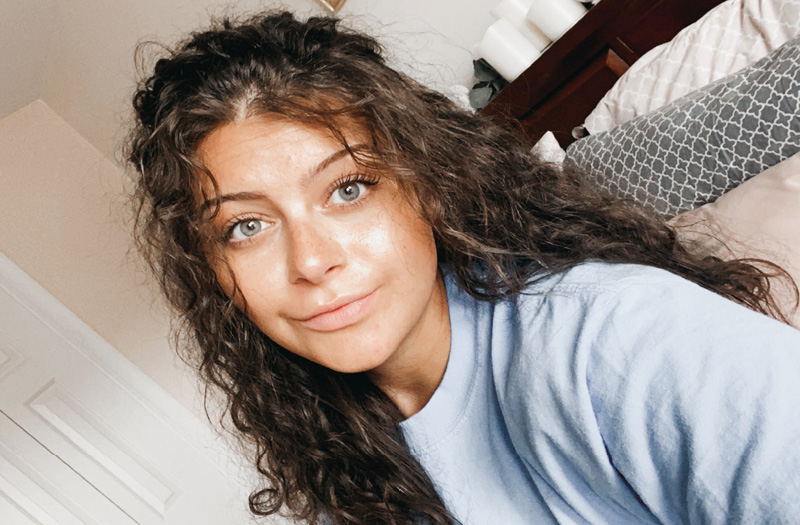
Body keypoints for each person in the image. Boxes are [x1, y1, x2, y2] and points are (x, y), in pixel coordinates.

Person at [127, 11, 800, 525]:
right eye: (246, 227)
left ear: (425, 182)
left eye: (349, 188)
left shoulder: (614, 337)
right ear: (215, 275)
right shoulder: (342, 454)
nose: (311, 261)